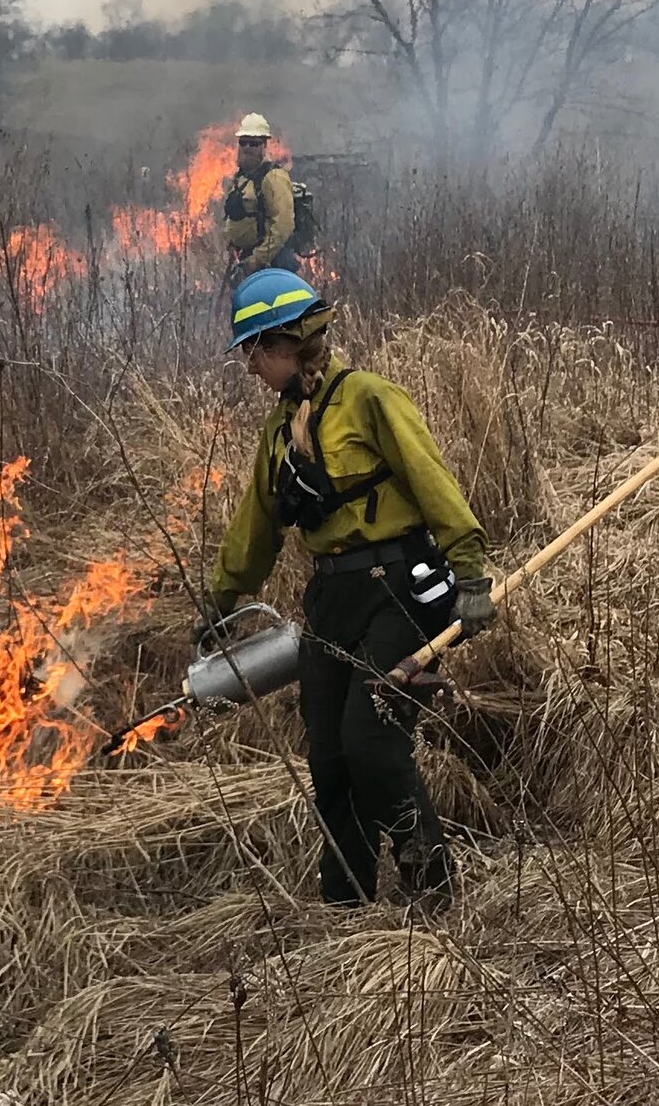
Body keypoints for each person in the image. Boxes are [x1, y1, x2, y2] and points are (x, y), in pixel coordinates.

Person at [206, 268, 497, 910]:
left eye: (256, 350)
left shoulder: (368, 399)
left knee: (372, 742)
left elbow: (433, 481)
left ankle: (432, 890)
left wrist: (471, 573)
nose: (251, 366)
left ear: (288, 341)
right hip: (332, 601)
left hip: (401, 590)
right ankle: (346, 901)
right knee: (331, 757)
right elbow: (257, 520)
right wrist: (223, 598)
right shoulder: (282, 430)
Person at [222, 114, 298, 285]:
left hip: (269, 266)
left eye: (254, 143)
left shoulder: (274, 178)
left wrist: (257, 260)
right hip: (243, 262)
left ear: (264, 145)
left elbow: (283, 225)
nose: (247, 147)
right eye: (243, 142)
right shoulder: (241, 178)